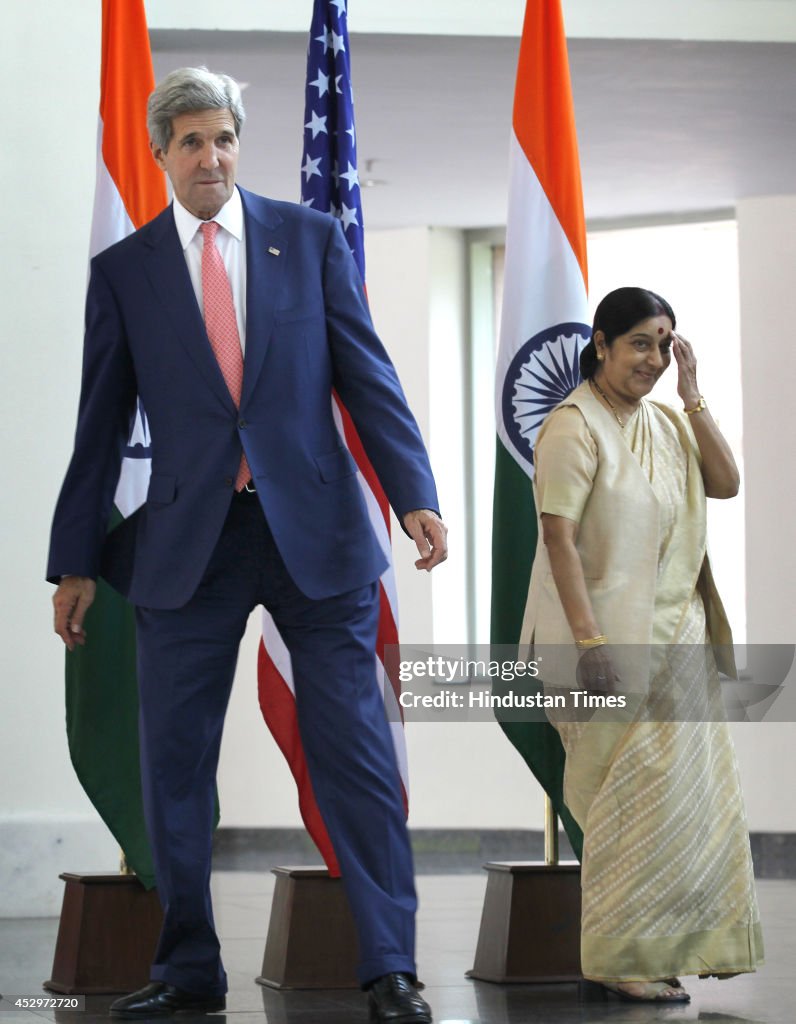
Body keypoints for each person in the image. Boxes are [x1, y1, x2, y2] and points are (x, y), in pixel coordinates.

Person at [48, 67, 446, 1023]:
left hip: (319, 538)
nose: (211, 156)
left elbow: (366, 373)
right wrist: (73, 560)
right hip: (188, 548)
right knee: (175, 765)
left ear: (238, 144)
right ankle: (189, 969)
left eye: (223, 138)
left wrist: (414, 492)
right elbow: (98, 426)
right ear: (160, 155)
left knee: (355, 754)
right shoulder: (127, 272)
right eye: (190, 141)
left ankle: (390, 966)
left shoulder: (307, 239)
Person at [520, 286, 763, 1002]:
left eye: (664, 345)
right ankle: (620, 956)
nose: (653, 360)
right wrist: (591, 640)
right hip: (604, 646)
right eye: (640, 345)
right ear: (601, 344)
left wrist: (693, 394)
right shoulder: (573, 427)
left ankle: (677, 945)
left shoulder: (664, 419)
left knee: (687, 804)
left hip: (678, 639)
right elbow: (558, 538)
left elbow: (725, 482)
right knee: (627, 805)